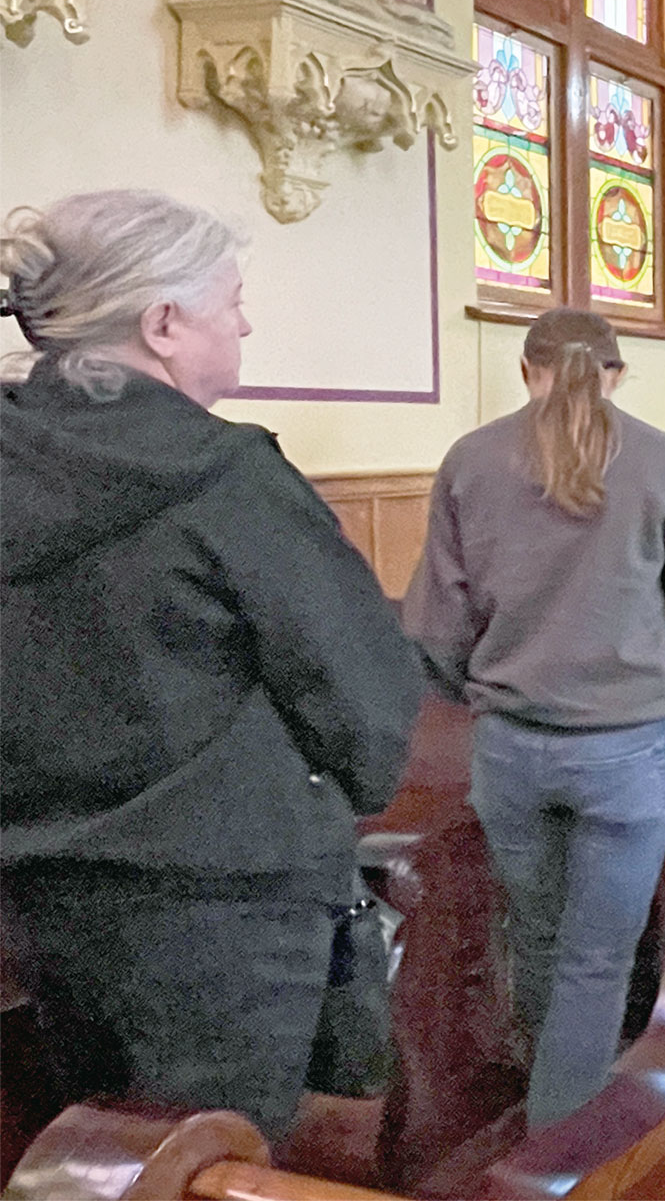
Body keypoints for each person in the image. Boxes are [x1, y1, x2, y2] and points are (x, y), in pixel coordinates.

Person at [0, 190, 420, 1140]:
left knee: (106, 1145)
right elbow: (361, 694)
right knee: (217, 1157)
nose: (245, 322)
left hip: (43, 895)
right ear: (162, 324)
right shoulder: (226, 479)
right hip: (227, 906)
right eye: (231, 301)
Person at [403, 308, 665, 1129]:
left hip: (511, 744)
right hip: (628, 746)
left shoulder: (470, 460)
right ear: (618, 373)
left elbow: (435, 627)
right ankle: (560, 1138)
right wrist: (648, 676)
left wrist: (489, 690)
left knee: (538, 936)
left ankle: (546, 1111)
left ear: (526, 370)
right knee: (597, 960)